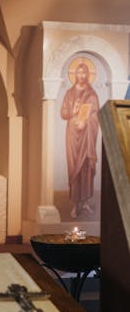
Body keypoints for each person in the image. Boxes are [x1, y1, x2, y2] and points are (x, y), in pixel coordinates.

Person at [60, 61, 100, 219]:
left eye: (84, 73)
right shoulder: (69, 93)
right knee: (74, 168)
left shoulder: (92, 94)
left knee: (86, 168)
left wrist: (86, 121)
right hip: (72, 135)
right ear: (75, 75)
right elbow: (63, 113)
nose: (81, 76)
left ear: (88, 75)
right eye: (79, 72)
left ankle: (84, 201)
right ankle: (75, 204)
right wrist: (73, 111)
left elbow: (96, 114)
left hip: (87, 135)